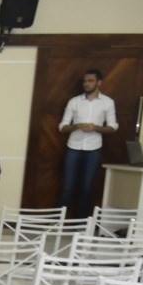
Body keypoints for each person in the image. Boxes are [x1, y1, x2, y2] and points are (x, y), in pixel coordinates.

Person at [58, 68, 118, 218]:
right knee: (67, 187)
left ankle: (81, 222)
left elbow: (113, 126)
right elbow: (62, 127)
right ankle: (58, 221)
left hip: (94, 148)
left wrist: (95, 128)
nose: (86, 84)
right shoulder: (74, 101)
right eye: (84, 81)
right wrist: (77, 126)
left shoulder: (107, 102)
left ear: (99, 82)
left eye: (90, 81)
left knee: (86, 187)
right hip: (74, 146)